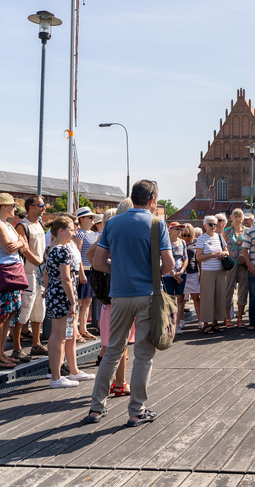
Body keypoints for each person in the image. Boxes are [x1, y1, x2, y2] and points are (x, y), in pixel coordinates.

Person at [86, 180, 173, 426]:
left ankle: (96, 408)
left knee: (113, 350)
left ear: (132, 198)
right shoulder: (157, 224)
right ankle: (136, 410)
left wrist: (122, 269)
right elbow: (168, 265)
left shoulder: (112, 223)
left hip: (119, 295)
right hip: (147, 294)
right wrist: (148, 270)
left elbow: (99, 263)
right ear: (153, 200)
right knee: (144, 355)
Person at [44, 214, 95, 388]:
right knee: (60, 336)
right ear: (61, 230)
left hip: (55, 293)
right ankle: (56, 378)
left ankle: (70, 372)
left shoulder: (51, 248)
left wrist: (46, 290)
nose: (73, 233)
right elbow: (66, 278)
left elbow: (47, 274)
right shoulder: (62, 250)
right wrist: (73, 302)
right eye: (70, 230)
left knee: (66, 334)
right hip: (62, 296)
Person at [88, 206, 131, 397]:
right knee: (120, 343)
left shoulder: (104, 237)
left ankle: (115, 382)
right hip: (120, 293)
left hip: (108, 295)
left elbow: (90, 256)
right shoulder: (118, 236)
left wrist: (104, 266)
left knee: (113, 343)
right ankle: (119, 383)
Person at [0, 193, 27, 369]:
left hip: (13, 270)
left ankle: (2, 354)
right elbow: (10, 247)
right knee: (0, 314)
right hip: (4, 271)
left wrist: (19, 242)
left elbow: (21, 244)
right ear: (3, 206)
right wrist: (20, 242)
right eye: (12, 206)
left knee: (9, 313)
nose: (15, 209)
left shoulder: (8, 224)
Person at [10, 196, 47, 359]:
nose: (44, 208)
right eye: (41, 205)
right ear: (31, 208)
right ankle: (17, 348)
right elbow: (24, 249)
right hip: (28, 273)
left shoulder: (39, 224)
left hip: (39, 273)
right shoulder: (22, 226)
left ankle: (36, 344)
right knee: (23, 311)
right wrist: (39, 261)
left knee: (39, 310)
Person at [197, 215, 229, 334]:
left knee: (219, 297)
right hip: (208, 271)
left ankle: (215, 322)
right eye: (211, 224)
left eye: (215, 224)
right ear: (205, 225)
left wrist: (222, 254)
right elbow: (198, 257)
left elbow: (227, 251)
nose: (213, 226)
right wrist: (213, 255)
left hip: (220, 270)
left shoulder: (220, 237)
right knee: (207, 298)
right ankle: (205, 323)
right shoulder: (201, 239)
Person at [74, 207, 99, 341]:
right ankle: (76, 331)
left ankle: (83, 329)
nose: (93, 220)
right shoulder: (80, 234)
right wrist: (81, 273)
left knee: (88, 301)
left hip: (91, 271)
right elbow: (77, 254)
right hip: (83, 270)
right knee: (79, 302)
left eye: (93, 217)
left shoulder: (93, 234)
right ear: (81, 219)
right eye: (90, 217)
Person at [223, 208, 249, 327]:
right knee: (228, 289)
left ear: (243, 218)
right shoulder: (227, 231)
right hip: (231, 263)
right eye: (236, 216)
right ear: (231, 217)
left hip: (244, 263)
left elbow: (250, 246)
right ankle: (227, 318)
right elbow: (223, 247)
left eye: (240, 216)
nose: (238, 218)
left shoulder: (247, 231)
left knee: (243, 289)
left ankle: (240, 317)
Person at [165, 222, 188, 334]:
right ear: (170, 230)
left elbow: (185, 258)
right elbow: (163, 258)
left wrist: (181, 271)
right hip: (168, 274)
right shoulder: (165, 242)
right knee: (169, 299)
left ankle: (177, 324)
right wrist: (173, 272)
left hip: (181, 273)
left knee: (180, 299)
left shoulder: (182, 242)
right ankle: (169, 324)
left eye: (180, 229)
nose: (179, 231)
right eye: (177, 229)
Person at [181, 225, 201, 330]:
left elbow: (199, 259)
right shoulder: (179, 242)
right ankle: (180, 321)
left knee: (196, 297)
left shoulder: (196, 242)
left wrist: (201, 273)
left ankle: (200, 320)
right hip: (181, 273)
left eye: (188, 235)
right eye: (183, 234)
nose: (185, 237)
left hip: (193, 272)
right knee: (180, 299)